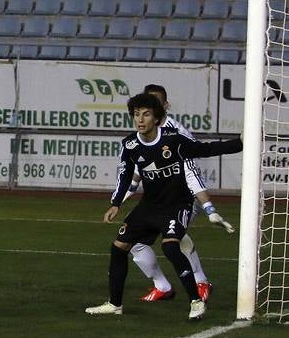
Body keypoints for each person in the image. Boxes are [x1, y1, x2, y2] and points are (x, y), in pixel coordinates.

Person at [87, 92, 242, 322]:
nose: (140, 119)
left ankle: (196, 302)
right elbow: (125, 175)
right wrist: (116, 203)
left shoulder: (174, 140)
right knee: (118, 247)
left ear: (157, 118)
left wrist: (240, 143)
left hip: (177, 205)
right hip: (149, 206)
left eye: (146, 114)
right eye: (136, 114)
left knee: (171, 247)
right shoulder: (130, 145)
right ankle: (115, 304)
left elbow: (205, 150)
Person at [125, 83, 233, 304]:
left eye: (153, 104)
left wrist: (209, 207)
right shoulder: (142, 132)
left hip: (185, 196)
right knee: (134, 241)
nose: (148, 109)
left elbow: (191, 170)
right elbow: (139, 164)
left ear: (164, 106)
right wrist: (130, 188)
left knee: (175, 235)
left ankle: (201, 282)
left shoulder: (177, 134)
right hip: (158, 200)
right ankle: (162, 286)